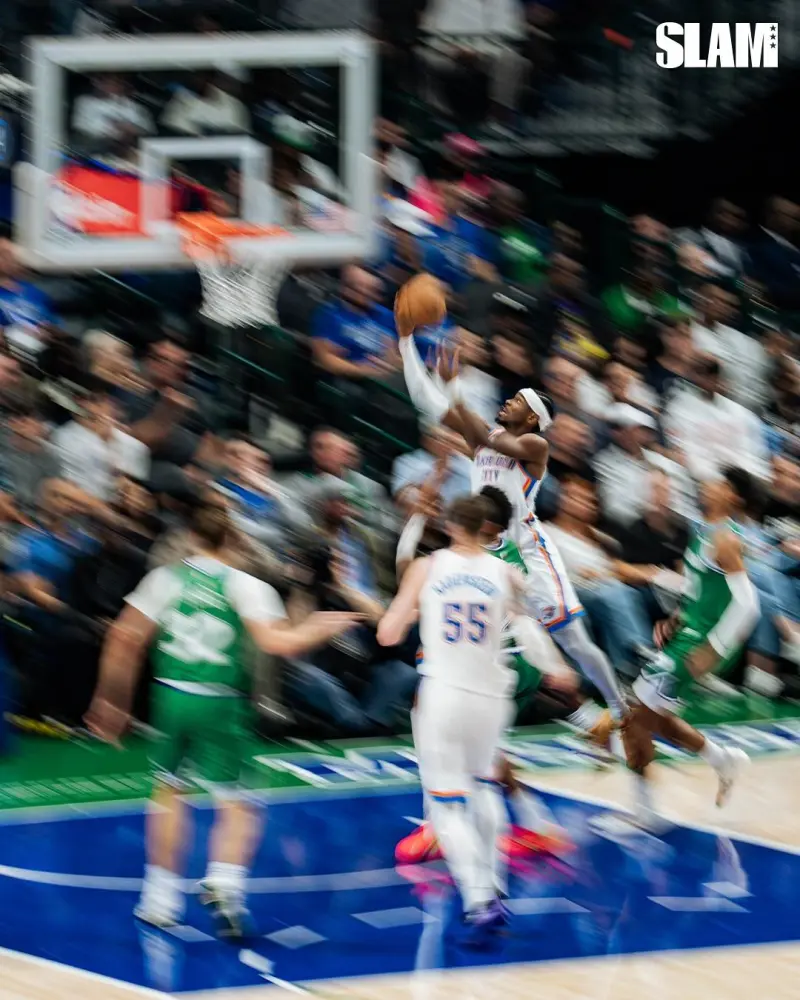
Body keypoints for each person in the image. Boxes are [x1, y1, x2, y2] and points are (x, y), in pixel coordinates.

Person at [85, 497, 362, 937]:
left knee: (169, 792)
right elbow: (277, 644)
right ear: (233, 539)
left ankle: (159, 900)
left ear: (191, 538)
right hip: (219, 700)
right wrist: (320, 628)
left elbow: (123, 637)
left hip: (170, 697)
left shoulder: (165, 578)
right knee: (238, 803)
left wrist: (110, 699)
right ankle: (224, 885)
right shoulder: (247, 585)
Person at [395, 304, 630, 729]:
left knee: (572, 639)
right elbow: (429, 403)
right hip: (487, 552)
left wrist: (455, 390)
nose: (509, 400)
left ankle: (619, 707)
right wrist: (407, 344)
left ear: (535, 419)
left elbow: (482, 433)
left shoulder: (535, 448)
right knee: (501, 640)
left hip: (529, 549)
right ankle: (563, 715)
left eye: (519, 400)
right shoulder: (489, 441)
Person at [394, 484, 578, 869]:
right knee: (474, 748)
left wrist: (416, 521)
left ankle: (518, 825)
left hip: (499, 664)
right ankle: (513, 821)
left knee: (464, 745)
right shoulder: (497, 557)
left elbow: (405, 571)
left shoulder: (475, 563)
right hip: (505, 660)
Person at [377, 495, 525, 939]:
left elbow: (388, 634)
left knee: (445, 806)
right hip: (490, 695)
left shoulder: (428, 567)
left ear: (448, 524)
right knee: (483, 788)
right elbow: (529, 621)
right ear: (485, 528)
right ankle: (496, 883)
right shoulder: (507, 572)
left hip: (443, 693)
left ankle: (479, 898)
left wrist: (419, 609)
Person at [621, 469, 762, 830]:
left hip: (704, 643)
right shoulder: (702, 530)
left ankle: (646, 812)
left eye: (718, 482)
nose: (708, 484)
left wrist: (713, 649)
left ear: (732, 497)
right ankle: (722, 759)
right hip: (689, 636)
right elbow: (700, 589)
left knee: (635, 718)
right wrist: (676, 617)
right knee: (653, 717)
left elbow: (747, 604)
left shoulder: (726, 540)